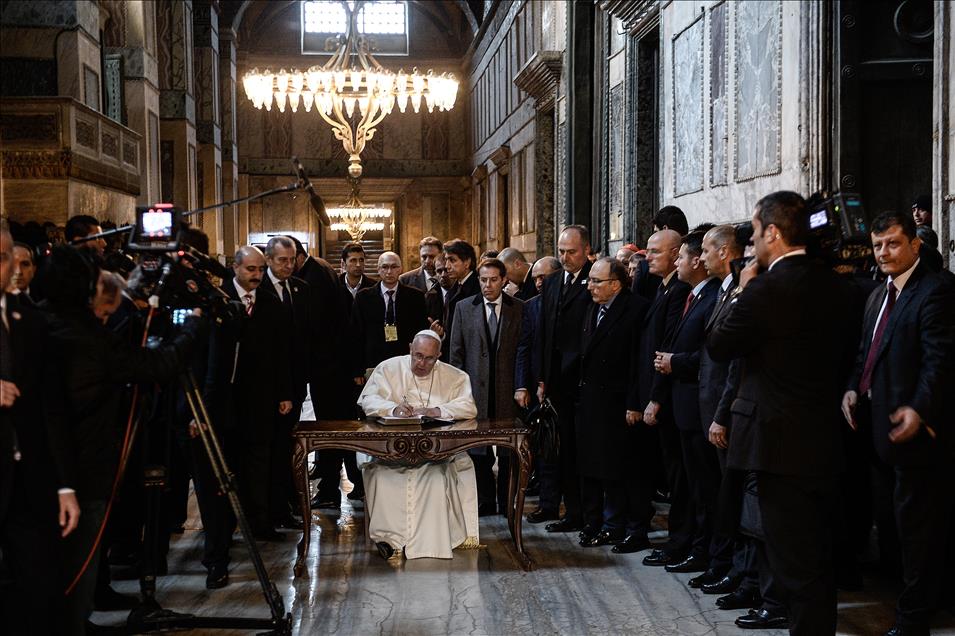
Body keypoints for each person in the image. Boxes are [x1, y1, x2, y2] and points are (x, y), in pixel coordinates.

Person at [708, 191, 854, 634]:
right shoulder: (839, 285)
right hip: (826, 438)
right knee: (817, 559)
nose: (753, 245)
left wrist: (743, 290)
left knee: (794, 566)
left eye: (754, 234)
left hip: (776, 445)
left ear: (773, 233)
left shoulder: (767, 289)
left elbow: (718, 344)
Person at [41, 244, 200, 634]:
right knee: (77, 561)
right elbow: (157, 366)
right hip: (85, 465)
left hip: (51, 464)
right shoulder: (86, 336)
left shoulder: (41, 322)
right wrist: (192, 327)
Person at [842, 210, 955, 636]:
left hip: (919, 434)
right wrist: (853, 388)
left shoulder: (936, 290)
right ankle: (917, 600)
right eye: (877, 245)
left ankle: (914, 621)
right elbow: (864, 354)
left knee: (919, 532)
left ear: (914, 245)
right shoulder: (877, 294)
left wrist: (919, 408)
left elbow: (939, 360)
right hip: (877, 429)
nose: (884, 253)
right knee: (892, 528)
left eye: (892, 243)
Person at [0, 221, 78, 635]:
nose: (9, 267)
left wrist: (65, 484)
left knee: (39, 594)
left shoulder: (30, 320)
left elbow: (52, 409)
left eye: (8, 257)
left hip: (30, 479)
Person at [357, 330, 479, 559]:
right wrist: (393, 409)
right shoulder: (388, 368)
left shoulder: (455, 376)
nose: (421, 363)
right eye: (417, 355)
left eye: (429, 358)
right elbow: (368, 400)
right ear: (410, 348)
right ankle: (388, 540)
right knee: (382, 478)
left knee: (434, 478)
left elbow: (469, 406)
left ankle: (430, 546)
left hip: (434, 456)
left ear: (439, 355)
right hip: (390, 453)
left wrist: (437, 410)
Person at [650, 230, 721, 576]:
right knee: (690, 485)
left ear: (696, 260)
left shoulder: (709, 299)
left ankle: (704, 551)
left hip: (698, 407)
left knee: (703, 488)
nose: (678, 261)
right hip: (683, 407)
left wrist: (674, 362)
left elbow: (709, 356)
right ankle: (694, 546)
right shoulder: (693, 296)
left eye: (682, 256)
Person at [217, 246, 293, 540]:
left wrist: (284, 393)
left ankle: (260, 523)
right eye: (251, 270)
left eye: (261, 270)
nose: (258, 276)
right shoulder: (220, 299)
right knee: (227, 463)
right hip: (226, 398)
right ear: (235, 268)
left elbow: (282, 352)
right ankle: (224, 527)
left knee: (259, 463)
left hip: (261, 399)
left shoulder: (271, 304)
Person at [576, 257, 651, 551]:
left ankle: (623, 526)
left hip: (620, 402)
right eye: (590, 281)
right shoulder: (592, 307)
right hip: (592, 399)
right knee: (596, 466)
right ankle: (600, 524)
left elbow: (638, 360)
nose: (590, 287)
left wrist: (634, 402)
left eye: (596, 281)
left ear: (616, 284)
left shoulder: (637, 309)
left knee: (622, 469)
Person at [449, 258, 523, 516]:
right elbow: (456, 353)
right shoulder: (463, 308)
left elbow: (523, 350)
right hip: (474, 390)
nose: (487, 285)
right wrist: (458, 391)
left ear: (504, 280)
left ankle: (506, 501)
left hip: (506, 390)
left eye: (493, 280)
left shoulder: (518, 308)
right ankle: (484, 501)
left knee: (506, 451)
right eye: (483, 280)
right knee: (478, 450)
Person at [637, 229, 692, 568]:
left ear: (676, 254)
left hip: (673, 398)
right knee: (674, 475)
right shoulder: (664, 287)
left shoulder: (680, 291)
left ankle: (681, 542)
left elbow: (668, 347)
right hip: (663, 394)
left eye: (655, 251)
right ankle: (678, 540)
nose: (647, 257)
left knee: (681, 479)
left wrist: (656, 397)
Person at [536, 225, 594, 533]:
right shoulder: (554, 281)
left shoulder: (594, 279)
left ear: (586, 249)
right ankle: (570, 512)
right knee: (561, 449)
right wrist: (542, 377)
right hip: (556, 379)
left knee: (582, 449)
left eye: (571, 252)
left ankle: (586, 513)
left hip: (582, 378)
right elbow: (545, 331)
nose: (565, 257)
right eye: (561, 251)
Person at [260, 236, 313, 529]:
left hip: (294, 382)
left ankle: (283, 508)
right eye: (282, 260)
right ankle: (268, 511)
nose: (289, 265)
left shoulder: (301, 289)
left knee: (286, 447)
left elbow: (305, 336)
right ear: (269, 260)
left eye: (292, 260)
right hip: (265, 387)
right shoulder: (261, 289)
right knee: (269, 450)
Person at [515, 256, 561, 523]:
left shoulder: (569, 301)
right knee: (543, 449)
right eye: (535, 278)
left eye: (544, 277)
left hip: (563, 387)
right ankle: (548, 503)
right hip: (536, 388)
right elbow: (523, 347)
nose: (539, 282)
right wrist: (522, 384)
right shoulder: (530, 306)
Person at [350, 251, 431, 380]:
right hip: (373, 361)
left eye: (393, 267)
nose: (389, 271)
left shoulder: (415, 297)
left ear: (400, 269)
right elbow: (356, 335)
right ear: (378, 269)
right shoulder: (363, 297)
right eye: (385, 267)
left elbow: (420, 332)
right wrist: (357, 370)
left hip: (404, 359)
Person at [439, 238, 480, 358]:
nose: (447, 266)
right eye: (446, 260)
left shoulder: (478, 288)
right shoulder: (455, 287)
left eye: (452, 260)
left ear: (467, 262)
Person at [424, 253, 453, 323]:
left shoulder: (465, 293)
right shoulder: (429, 297)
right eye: (439, 271)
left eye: (446, 270)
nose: (443, 275)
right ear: (435, 273)